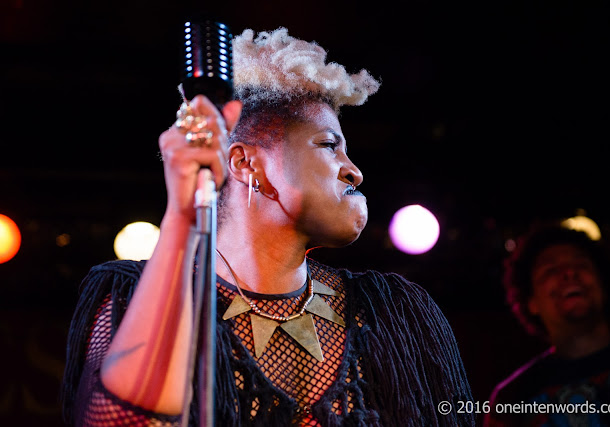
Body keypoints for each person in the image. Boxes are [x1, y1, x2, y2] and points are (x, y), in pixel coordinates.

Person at [61, 27, 475, 426]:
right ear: (245, 163)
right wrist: (183, 215)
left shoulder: (395, 313)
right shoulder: (138, 295)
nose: (355, 172)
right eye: (330, 145)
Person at [483, 222, 610, 426]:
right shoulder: (513, 397)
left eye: (581, 264)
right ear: (531, 302)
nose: (569, 273)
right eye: (550, 270)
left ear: (603, 284)